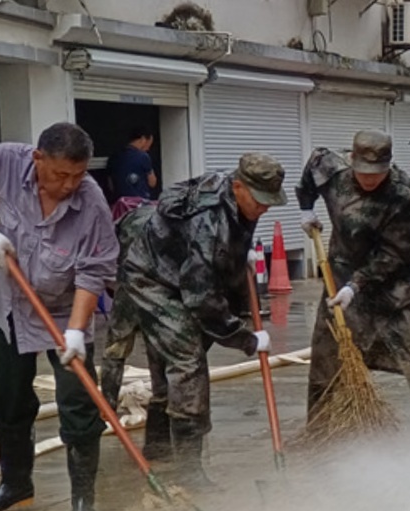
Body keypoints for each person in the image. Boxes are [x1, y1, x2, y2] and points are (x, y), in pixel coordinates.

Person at [0, 123, 120, 511]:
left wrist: (75, 333)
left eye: (78, 175)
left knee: (78, 404)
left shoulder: (92, 204)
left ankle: (83, 501)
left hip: (68, 311)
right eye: (59, 174)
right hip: (12, 304)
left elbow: (94, 271)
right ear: (38, 159)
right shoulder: (3, 161)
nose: (69, 185)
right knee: (9, 399)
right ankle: (16, 485)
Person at [116, 153, 285, 485]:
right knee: (188, 362)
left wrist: (240, 253)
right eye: (260, 201)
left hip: (179, 270)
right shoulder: (208, 220)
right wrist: (245, 338)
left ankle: (160, 448)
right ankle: (189, 472)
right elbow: (202, 299)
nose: (264, 208)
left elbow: (217, 260)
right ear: (238, 186)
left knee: (172, 361)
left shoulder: (236, 196)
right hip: (151, 277)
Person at [298, 131, 410, 417]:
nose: (369, 179)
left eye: (376, 174)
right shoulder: (331, 168)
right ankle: (321, 433)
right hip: (339, 277)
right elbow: (310, 170)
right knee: (327, 363)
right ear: (352, 160)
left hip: (392, 287)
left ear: (388, 166)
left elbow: (394, 254)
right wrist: (306, 209)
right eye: (363, 172)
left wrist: (355, 286)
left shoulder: (404, 197)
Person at [106, 125, 157, 201]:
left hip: (120, 205)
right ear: (143, 139)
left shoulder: (114, 157)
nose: (148, 148)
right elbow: (152, 183)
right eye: (149, 144)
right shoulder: (143, 157)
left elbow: (111, 185)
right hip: (140, 204)